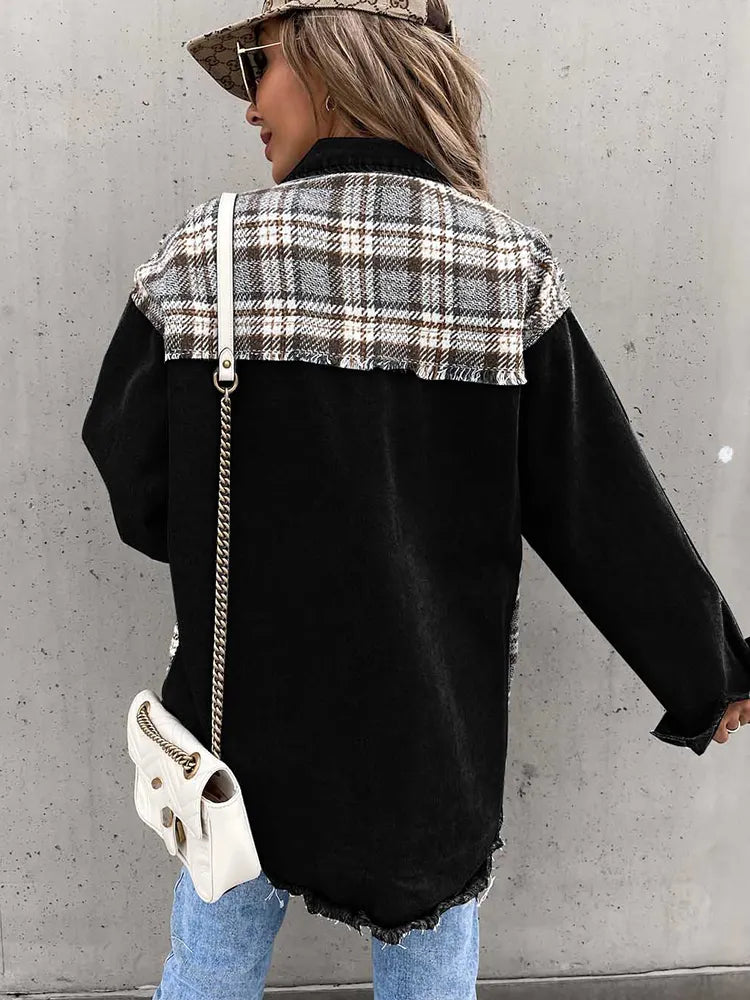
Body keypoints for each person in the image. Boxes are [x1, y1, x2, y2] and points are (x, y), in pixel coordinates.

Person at [80, 1, 750, 996]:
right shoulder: (507, 272)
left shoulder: (205, 257)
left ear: (329, 59)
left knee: (211, 962)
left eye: (259, 66)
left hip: (241, 734)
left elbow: (131, 472)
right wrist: (708, 672)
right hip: (431, 740)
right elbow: (599, 503)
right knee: (432, 970)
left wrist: (249, 543)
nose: (248, 104)